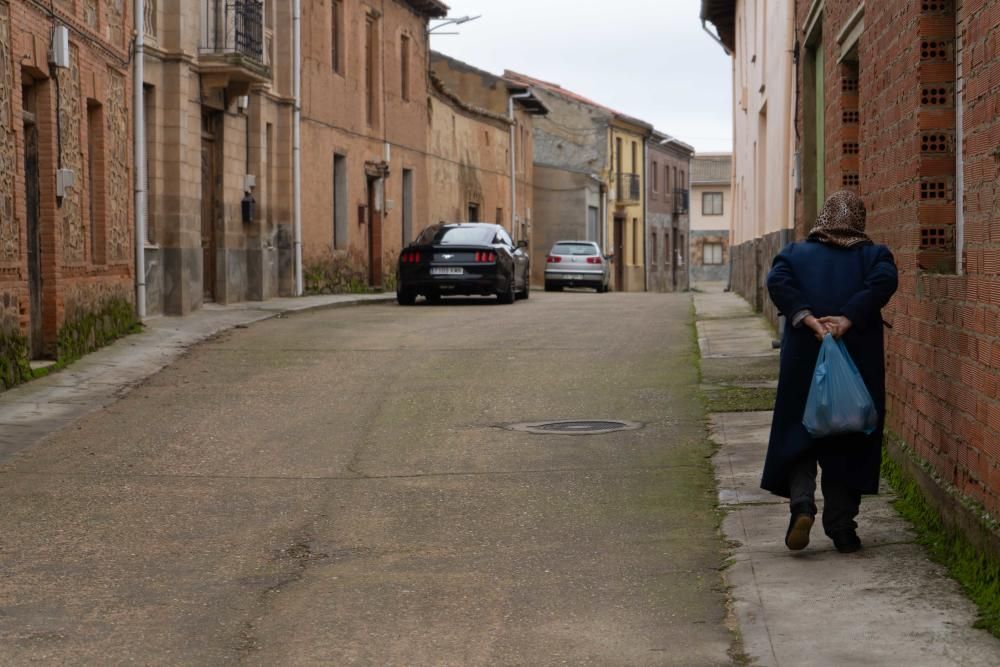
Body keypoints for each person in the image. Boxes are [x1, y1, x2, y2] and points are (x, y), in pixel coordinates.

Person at [762, 191, 898, 553]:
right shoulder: (875, 257)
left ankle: (802, 505)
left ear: (822, 219)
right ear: (860, 222)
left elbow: (778, 282)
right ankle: (842, 528)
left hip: (804, 359)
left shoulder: (793, 254)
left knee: (800, 432)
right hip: (855, 364)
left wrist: (808, 319)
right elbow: (884, 282)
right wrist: (848, 318)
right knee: (849, 436)